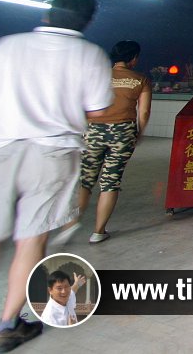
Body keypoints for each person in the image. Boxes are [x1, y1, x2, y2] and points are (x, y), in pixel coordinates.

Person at [0, 0, 112, 352]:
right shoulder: (90, 55)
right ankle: (7, 326)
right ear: (88, 22)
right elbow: (98, 109)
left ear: (46, 14)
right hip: (53, 153)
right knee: (31, 238)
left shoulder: (8, 46)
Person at [73, 40, 152, 244]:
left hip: (93, 130)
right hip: (123, 132)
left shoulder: (96, 76)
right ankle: (98, 231)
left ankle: (71, 224)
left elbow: (81, 105)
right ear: (134, 58)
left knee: (86, 179)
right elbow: (143, 112)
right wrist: (139, 133)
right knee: (110, 181)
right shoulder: (140, 79)